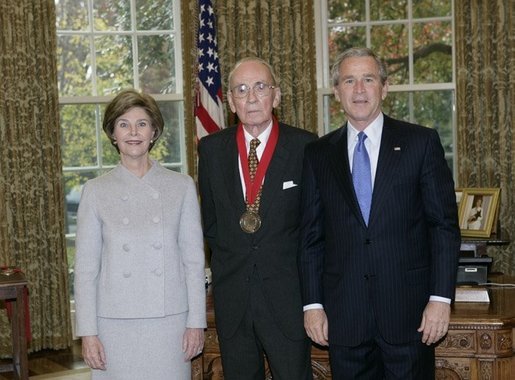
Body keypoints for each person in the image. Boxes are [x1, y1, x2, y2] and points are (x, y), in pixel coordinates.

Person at [298, 47, 461, 379]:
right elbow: (310, 239)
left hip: (410, 318)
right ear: (337, 91)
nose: (359, 90)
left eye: (368, 79)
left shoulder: (421, 143)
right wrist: (313, 306)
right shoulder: (317, 154)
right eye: (349, 80)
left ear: (384, 87)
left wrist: (441, 298)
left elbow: (443, 227)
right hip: (345, 322)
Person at [74, 89, 206, 380]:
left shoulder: (181, 186)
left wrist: (196, 322)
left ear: (154, 131)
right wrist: (88, 332)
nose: (133, 132)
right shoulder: (96, 191)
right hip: (113, 324)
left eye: (142, 124)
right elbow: (85, 270)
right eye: (123, 124)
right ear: (112, 133)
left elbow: (194, 263)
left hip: (169, 323)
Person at [198, 57, 316, 380]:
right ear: (232, 102)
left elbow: (313, 229)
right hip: (233, 299)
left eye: (261, 87)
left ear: (276, 97)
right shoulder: (210, 150)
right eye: (242, 89)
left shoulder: (306, 147)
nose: (251, 98)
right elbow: (212, 225)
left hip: (287, 300)